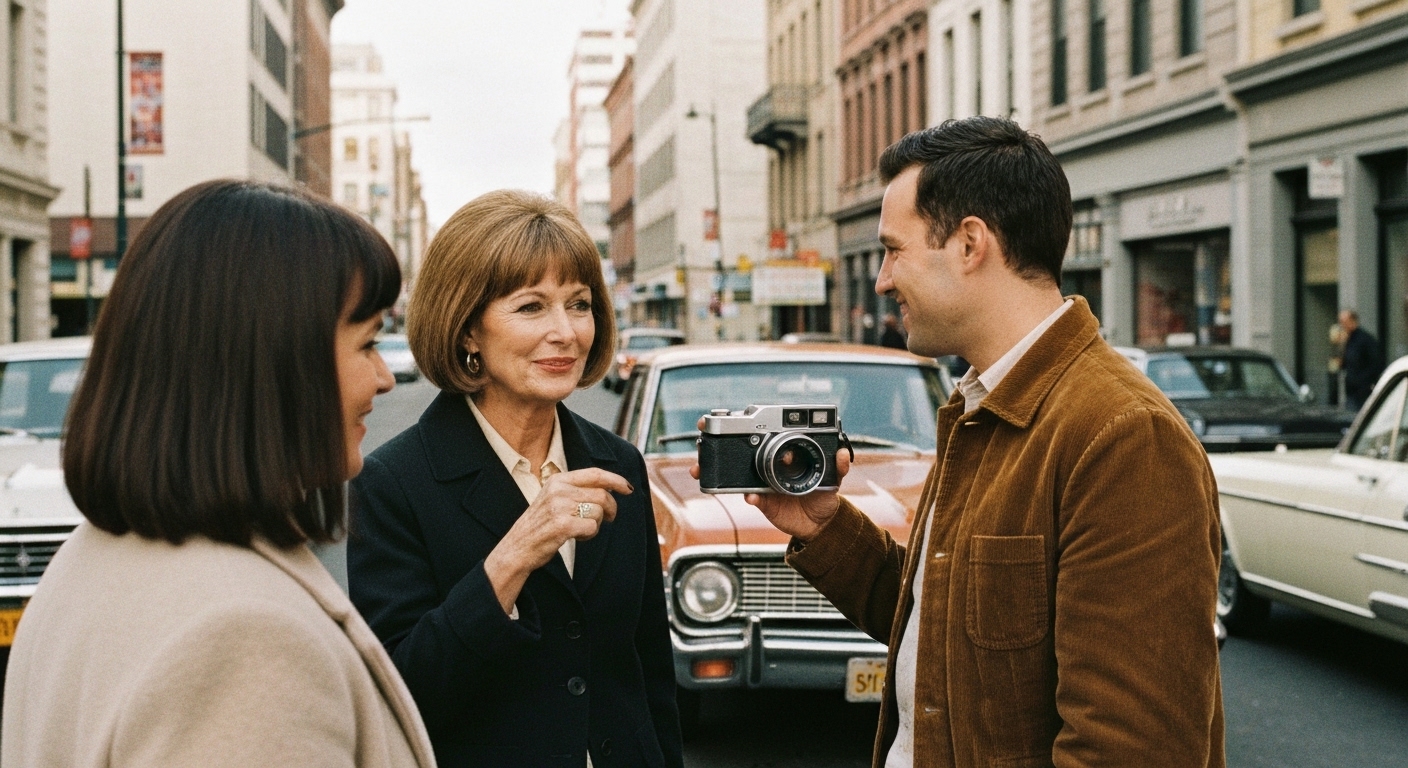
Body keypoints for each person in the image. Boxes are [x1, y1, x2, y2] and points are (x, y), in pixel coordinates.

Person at [710, 118, 1224, 766]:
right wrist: (825, 527)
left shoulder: (1123, 437)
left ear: (970, 243)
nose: (882, 280)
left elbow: (1130, 749)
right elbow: (947, 625)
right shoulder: (982, 405)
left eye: (895, 251)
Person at [1, 180, 435, 767]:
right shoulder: (245, 639)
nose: (384, 378)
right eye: (367, 344)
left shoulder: (94, 556)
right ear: (277, 366)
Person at [348, 190, 682, 768]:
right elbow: (399, 697)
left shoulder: (618, 462)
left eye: (579, 304)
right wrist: (512, 558)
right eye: (531, 307)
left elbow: (648, 668)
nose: (567, 332)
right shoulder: (393, 483)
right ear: (467, 329)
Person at [1338, 309, 1383, 411]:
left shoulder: (1365, 340)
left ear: (1352, 321)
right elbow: (1346, 362)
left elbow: (1376, 363)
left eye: (1344, 322)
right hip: (1351, 389)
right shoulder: (1348, 340)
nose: (1342, 325)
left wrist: (1364, 381)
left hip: (1363, 390)